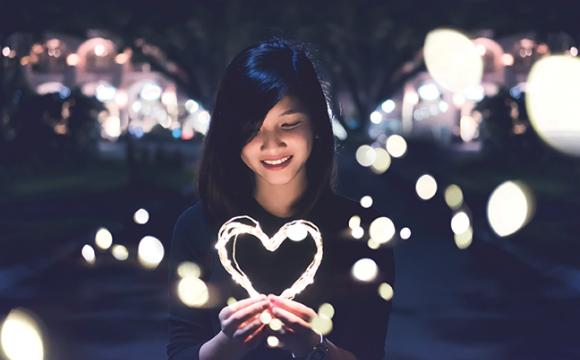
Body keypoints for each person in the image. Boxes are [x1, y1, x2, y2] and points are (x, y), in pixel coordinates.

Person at [167, 38, 395, 360]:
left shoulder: (363, 231)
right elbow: (179, 351)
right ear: (231, 135)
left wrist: (314, 347)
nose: (271, 145)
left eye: (288, 124)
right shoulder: (196, 227)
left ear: (316, 124)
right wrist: (226, 345)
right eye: (251, 129)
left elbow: (370, 354)